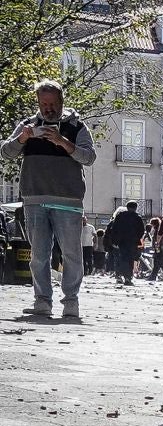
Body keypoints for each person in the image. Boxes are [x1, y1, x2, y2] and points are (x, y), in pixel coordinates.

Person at [2, 80, 96, 320]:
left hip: (68, 200)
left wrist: (63, 142)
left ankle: (71, 302)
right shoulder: (27, 125)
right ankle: (42, 301)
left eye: (52, 103)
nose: (48, 108)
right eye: (44, 104)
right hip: (35, 198)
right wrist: (22, 139)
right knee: (38, 255)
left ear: (61, 101)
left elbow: (89, 157)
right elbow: (5, 152)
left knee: (72, 254)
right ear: (38, 103)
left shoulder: (77, 126)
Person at [104, 201, 142, 287]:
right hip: (132, 242)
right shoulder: (138, 218)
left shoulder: (120, 216)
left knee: (123, 258)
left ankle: (124, 275)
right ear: (136, 208)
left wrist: (115, 241)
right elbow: (141, 230)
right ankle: (128, 277)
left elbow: (115, 229)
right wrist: (137, 238)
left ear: (127, 207)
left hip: (122, 241)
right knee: (130, 259)